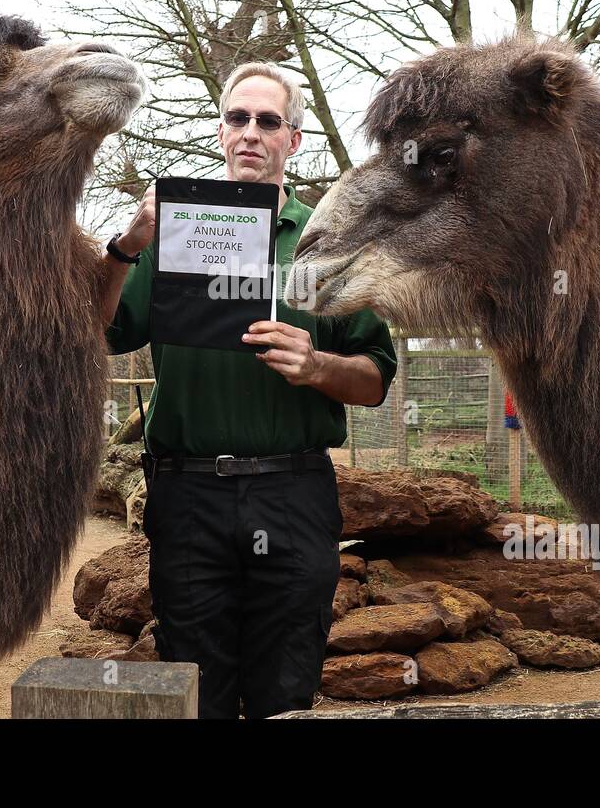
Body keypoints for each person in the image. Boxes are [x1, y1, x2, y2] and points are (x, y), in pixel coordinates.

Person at [97, 62, 397, 718]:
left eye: (269, 121)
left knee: (284, 693)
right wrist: (126, 246)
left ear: (294, 139)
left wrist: (318, 365)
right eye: (239, 119)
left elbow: (376, 378)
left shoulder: (330, 243)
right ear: (220, 133)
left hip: (292, 495)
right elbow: (100, 332)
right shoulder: (174, 231)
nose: (251, 133)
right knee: (195, 693)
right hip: (188, 497)